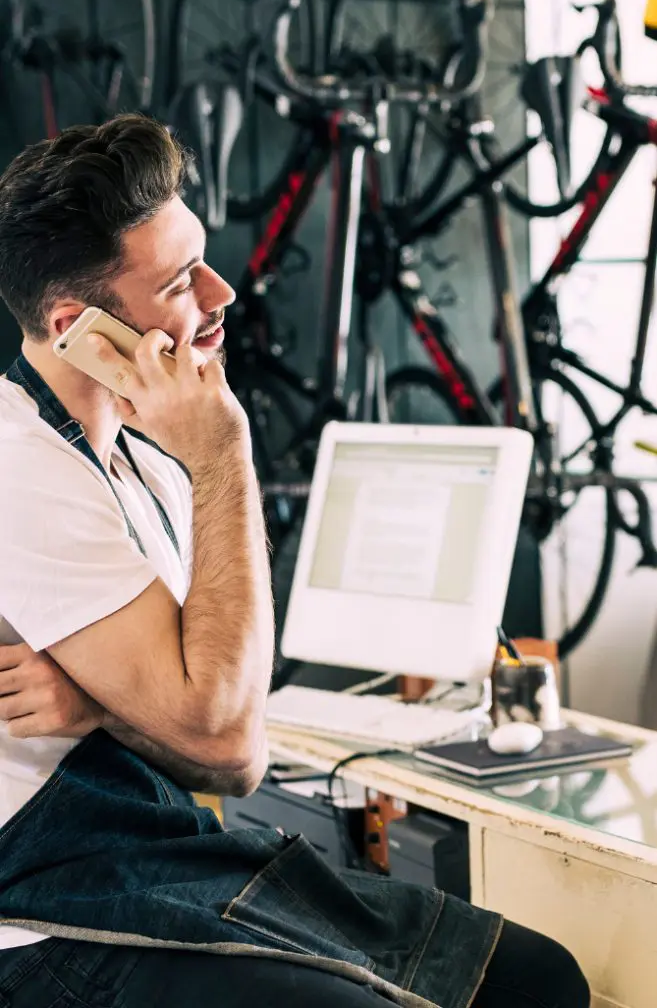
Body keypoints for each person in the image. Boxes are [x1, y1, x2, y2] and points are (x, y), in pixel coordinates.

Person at [0, 114, 590, 1008]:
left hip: (158, 858)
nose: (221, 290)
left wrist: (100, 703)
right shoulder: (25, 470)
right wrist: (225, 450)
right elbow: (229, 741)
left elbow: (230, 747)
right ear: (78, 327)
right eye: (178, 283)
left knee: (535, 981)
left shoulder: (149, 458)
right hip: (49, 921)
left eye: (202, 256)